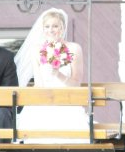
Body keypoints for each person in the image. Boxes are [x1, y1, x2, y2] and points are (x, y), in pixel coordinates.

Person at [14, 8, 87, 141]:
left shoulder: (74, 48)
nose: (51, 30)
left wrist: (58, 74)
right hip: (44, 101)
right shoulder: (36, 50)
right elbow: (39, 83)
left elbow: (76, 84)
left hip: (67, 102)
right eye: (47, 26)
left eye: (55, 26)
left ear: (63, 27)